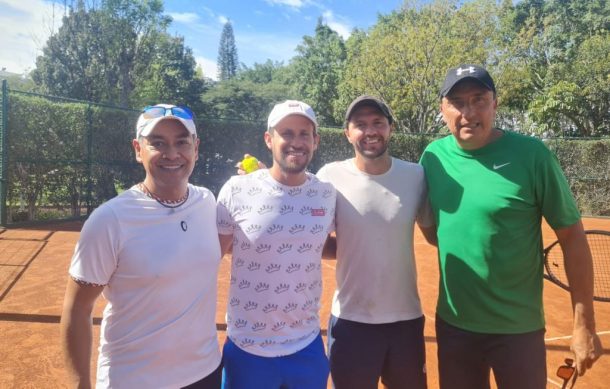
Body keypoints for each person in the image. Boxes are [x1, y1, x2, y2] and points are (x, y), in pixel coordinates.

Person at [418, 64, 603, 389]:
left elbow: (572, 237)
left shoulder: (533, 156)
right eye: (458, 102)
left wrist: (583, 325)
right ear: (443, 108)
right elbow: (435, 231)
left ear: (495, 103)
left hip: (519, 331)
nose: (469, 112)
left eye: (479, 99)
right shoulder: (432, 158)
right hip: (455, 327)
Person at [60, 104, 222, 388]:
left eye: (181, 142)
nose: (171, 153)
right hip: (134, 379)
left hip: (205, 373)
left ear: (196, 148)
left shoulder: (207, 202)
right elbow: (77, 308)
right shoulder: (110, 220)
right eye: (157, 143)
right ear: (138, 149)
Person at [216, 100, 336, 389]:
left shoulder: (327, 194)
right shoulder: (236, 190)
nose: (296, 142)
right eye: (287, 133)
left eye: (304, 134)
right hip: (248, 348)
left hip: (306, 346)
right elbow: (214, 253)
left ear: (315, 141)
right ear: (269, 139)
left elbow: (327, 245)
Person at [318, 96, 432, 389]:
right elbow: (310, 239)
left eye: (378, 123)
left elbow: (434, 233)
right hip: (351, 322)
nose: (370, 131)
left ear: (391, 128)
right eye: (360, 124)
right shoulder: (329, 177)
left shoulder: (416, 175)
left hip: (406, 322)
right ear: (347, 132)